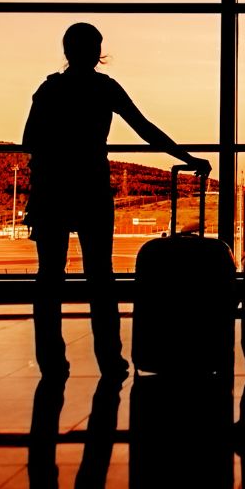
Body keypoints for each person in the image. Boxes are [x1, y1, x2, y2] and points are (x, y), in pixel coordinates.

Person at [22, 23, 208, 376]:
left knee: (49, 277)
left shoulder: (49, 90)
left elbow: (31, 139)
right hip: (91, 186)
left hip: (52, 189)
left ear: (66, 50)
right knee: (100, 277)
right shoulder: (103, 88)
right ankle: (109, 357)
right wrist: (186, 157)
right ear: (97, 51)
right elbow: (145, 128)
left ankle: (51, 358)